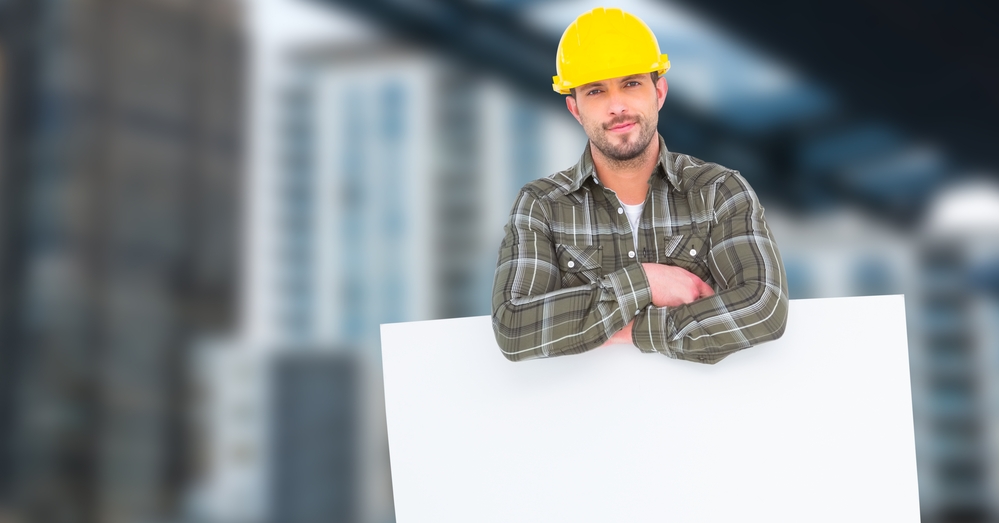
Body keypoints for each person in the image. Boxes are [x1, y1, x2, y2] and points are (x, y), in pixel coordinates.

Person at [491, 7, 788, 364]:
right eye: (596, 91)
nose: (616, 106)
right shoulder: (541, 205)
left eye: (631, 83)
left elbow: (763, 306)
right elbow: (513, 328)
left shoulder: (718, 190)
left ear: (659, 92)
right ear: (575, 109)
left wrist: (627, 330)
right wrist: (646, 281)